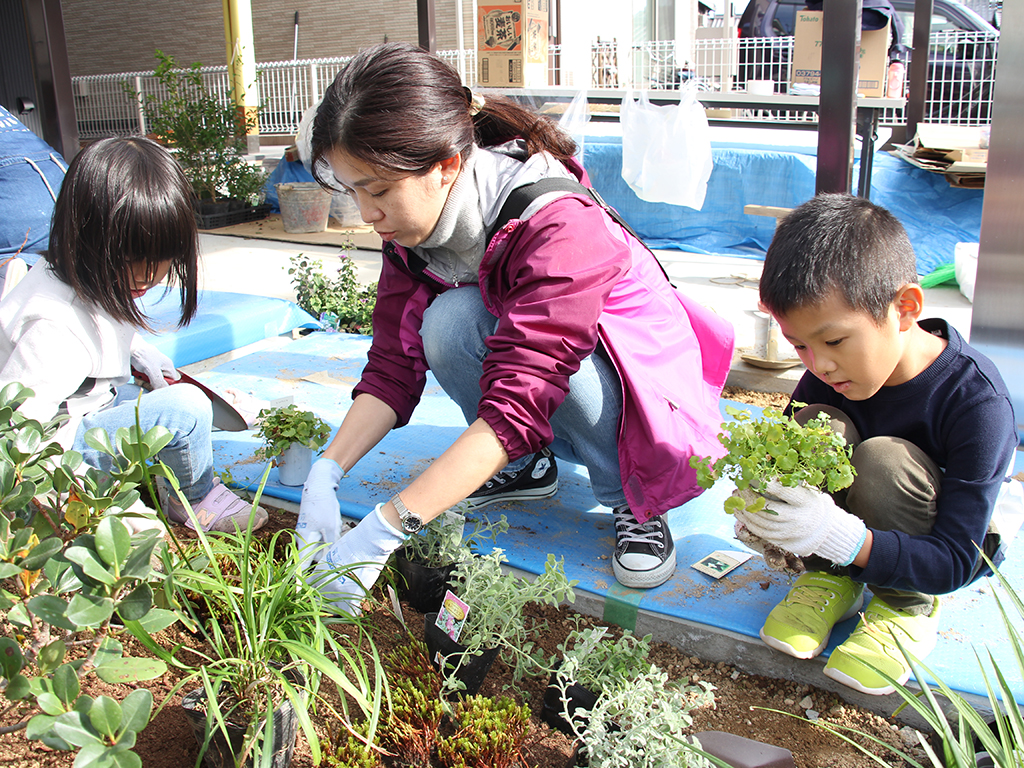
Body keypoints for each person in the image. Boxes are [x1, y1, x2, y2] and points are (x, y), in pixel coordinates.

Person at [297, 42, 734, 613]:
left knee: (565, 363)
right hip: (548, 381)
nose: (366, 214)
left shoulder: (554, 220)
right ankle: (527, 466)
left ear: (448, 163)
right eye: (354, 190)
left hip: (641, 385)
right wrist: (326, 473)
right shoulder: (413, 231)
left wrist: (389, 524)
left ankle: (635, 498)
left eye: (378, 190)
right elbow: (392, 364)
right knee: (448, 322)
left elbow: (522, 394)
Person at [734, 193, 1022, 696]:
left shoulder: (978, 402)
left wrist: (840, 536)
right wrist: (765, 505)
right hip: (850, 542)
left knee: (882, 460)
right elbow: (784, 451)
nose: (818, 365)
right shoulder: (826, 376)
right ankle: (831, 580)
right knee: (814, 425)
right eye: (799, 345)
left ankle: (903, 608)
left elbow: (956, 557)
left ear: (905, 307)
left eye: (834, 341)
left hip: (932, 546)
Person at [0, 136, 267, 533]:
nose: (146, 274)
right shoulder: (52, 329)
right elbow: (18, 441)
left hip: (87, 407)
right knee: (188, 407)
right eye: (130, 258)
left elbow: (109, 331)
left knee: (165, 400)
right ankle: (192, 501)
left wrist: (145, 359)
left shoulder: (87, 276)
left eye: (162, 257)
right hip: (60, 445)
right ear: (84, 236)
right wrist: (100, 507)